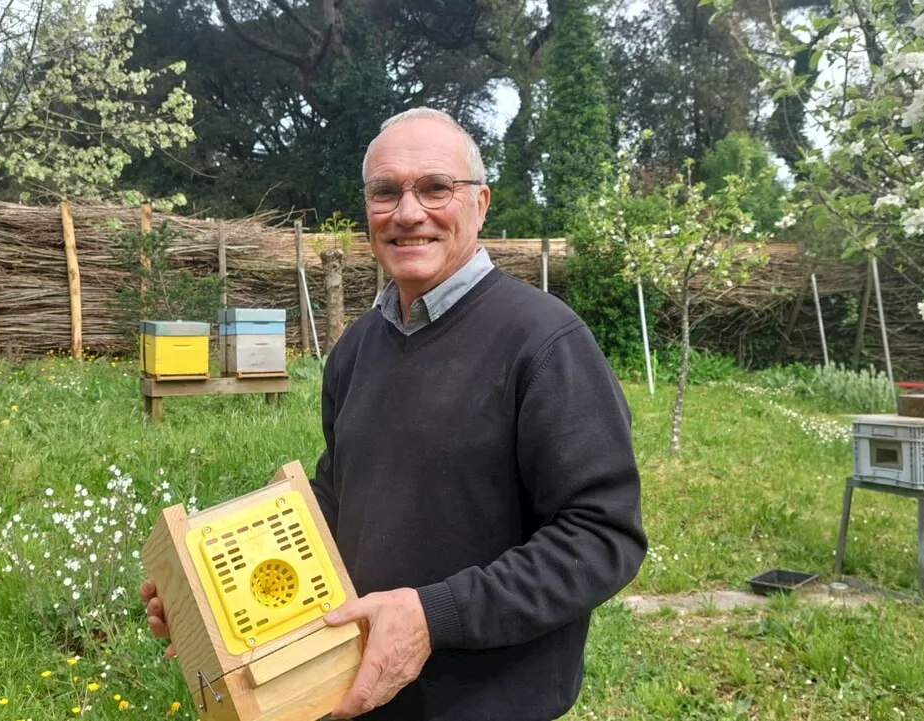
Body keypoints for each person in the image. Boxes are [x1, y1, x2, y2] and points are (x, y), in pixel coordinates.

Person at [140, 107, 646, 720]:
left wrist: (434, 616)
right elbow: (339, 494)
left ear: (480, 204)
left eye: (436, 187)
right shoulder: (356, 348)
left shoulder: (544, 343)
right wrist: (210, 589)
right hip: (356, 690)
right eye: (386, 192)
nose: (409, 213)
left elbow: (600, 535)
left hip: (489, 704)